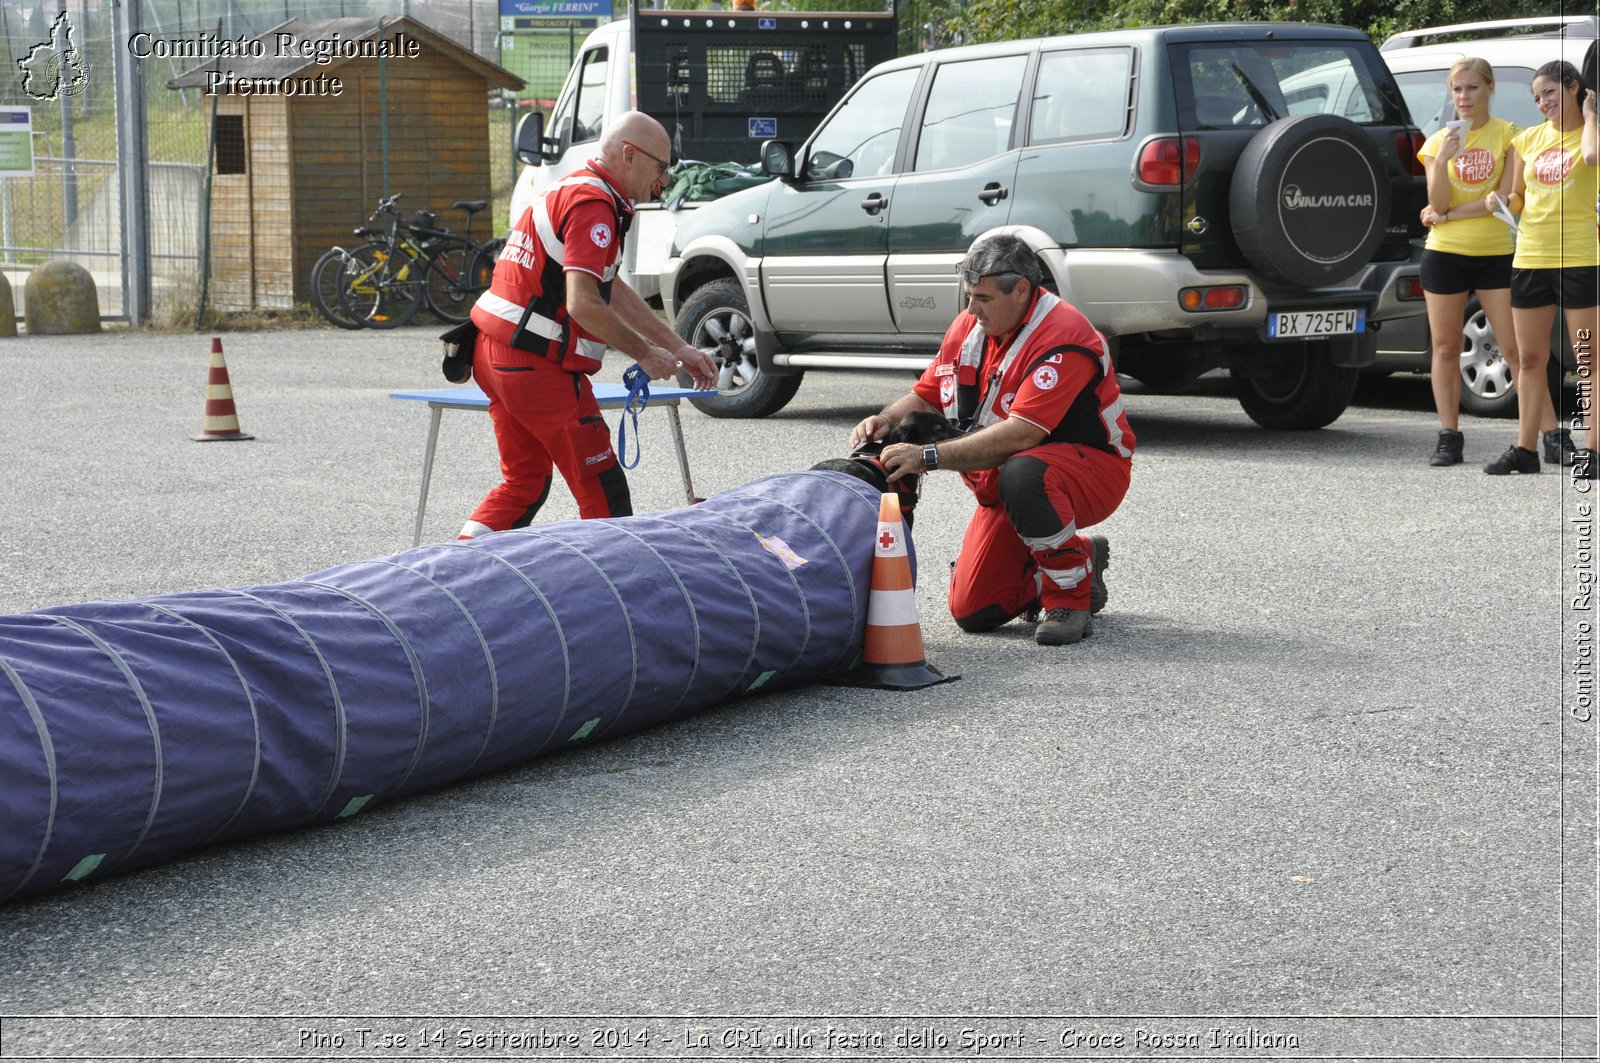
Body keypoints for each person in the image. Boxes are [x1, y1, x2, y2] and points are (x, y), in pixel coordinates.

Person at [852, 234, 1135, 647]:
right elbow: (930, 393)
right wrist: (884, 418)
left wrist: (927, 456)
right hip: (1009, 480)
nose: (971, 309)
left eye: (982, 298)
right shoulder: (972, 324)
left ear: (1022, 289)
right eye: (969, 296)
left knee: (1024, 473)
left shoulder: (1064, 336)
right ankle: (1079, 556)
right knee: (974, 611)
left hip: (1088, 472)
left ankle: (1070, 598)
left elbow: (1022, 434)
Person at [459, 111, 719, 538]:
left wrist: (677, 347)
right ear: (630, 155)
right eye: (661, 167)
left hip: (493, 353)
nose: (665, 180)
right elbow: (584, 303)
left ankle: (455, 569)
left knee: (524, 483)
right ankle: (613, 597)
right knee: (605, 495)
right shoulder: (594, 205)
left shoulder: (574, 188)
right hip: (534, 365)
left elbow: (609, 287)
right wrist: (646, 354)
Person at [1482, 60, 1599, 477]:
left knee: (1589, 361)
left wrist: (1589, 114)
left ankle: (1593, 452)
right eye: (1536, 97)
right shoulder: (1527, 140)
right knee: (1530, 359)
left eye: (1549, 92)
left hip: (1580, 257)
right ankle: (1525, 449)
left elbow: (1592, 155)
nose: (1542, 103)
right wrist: (1500, 203)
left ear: (1573, 87)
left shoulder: (1591, 133)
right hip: (1531, 257)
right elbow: (1516, 196)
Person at [1415, 58, 1529, 467]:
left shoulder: (1509, 136)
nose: (1464, 97)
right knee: (1445, 348)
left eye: (1472, 88)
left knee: (1515, 349)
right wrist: (1443, 160)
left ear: (1490, 89)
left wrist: (1444, 215)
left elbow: (1499, 202)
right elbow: (1438, 203)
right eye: (1457, 90)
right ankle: (1449, 435)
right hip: (1445, 253)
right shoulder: (1435, 143)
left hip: (1495, 252)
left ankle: (1533, 437)